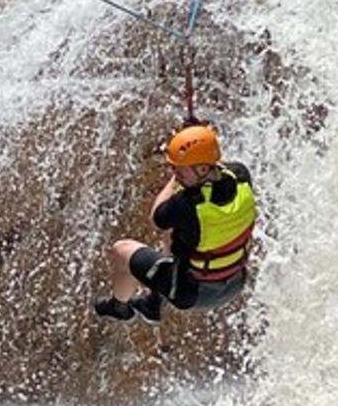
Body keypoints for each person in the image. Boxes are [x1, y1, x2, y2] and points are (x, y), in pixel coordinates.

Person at [94, 120, 256, 324]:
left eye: (180, 170)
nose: (175, 173)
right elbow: (220, 168)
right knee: (180, 233)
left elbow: (156, 218)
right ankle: (154, 302)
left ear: (203, 169)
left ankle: (119, 308)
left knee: (121, 250)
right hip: (235, 282)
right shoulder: (241, 175)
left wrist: (174, 181)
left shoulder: (186, 204)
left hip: (191, 294)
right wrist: (195, 140)